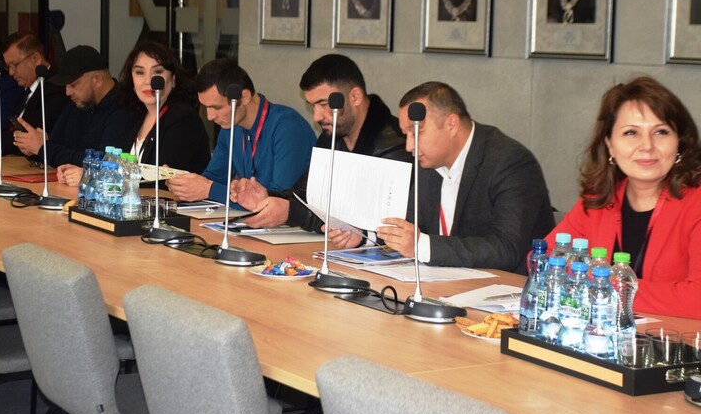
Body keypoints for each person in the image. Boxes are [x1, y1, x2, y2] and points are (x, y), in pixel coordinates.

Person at [545, 76, 701, 319]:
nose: (647, 146)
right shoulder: (598, 200)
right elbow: (544, 261)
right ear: (610, 145)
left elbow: (696, 301)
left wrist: (603, 286)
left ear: (679, 143)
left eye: (661, 132)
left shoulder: (696, 204)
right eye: (631, 133)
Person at [362, 82, 554, 274]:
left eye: (417, 132)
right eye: (406, 135)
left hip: (509, 285)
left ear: (451, 125)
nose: (409, 146)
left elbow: (506, 248)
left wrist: (422, 246)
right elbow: (410, 226)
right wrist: (364, 237)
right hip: (446, 280)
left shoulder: (510, 162)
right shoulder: (428, 162)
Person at [231, 54, 409, 230]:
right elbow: (306, 195)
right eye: (312, 106)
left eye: (324, 104)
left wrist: (291, 212)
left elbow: (367, 221)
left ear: (355, 97)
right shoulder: (330, 136)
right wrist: (267, 198)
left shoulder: (395, 144)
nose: (316, 117)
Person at [168, 58, 316, 208]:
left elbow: (278, 199)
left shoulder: (288, 127)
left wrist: (209, 190)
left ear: (244, 97)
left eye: (217, 107)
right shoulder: (230, 126)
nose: (210, 116)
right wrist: (184, 183)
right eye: (206, 107)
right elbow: (214, 178)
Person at [13, 45, 136, 170]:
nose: (67, 92)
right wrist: (33, 147)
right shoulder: (74, 107)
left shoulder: (124, 108)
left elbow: (104, 163)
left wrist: (44, 148)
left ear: (97, 80)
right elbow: (53, 149)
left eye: (73, 85)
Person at [0, 31, 68, 157]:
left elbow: (28, 136)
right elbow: (13, 130)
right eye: (8, 67)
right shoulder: (26, 89)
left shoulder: (56, 89)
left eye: (14, 65)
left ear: (35, 59)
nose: (11, 72)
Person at [118, 39, 210, 173]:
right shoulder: (133, 116)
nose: (148, 81)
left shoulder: (183, 119)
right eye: (140, 73)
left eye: (157, 72)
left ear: (173, 80)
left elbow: (163, 177)